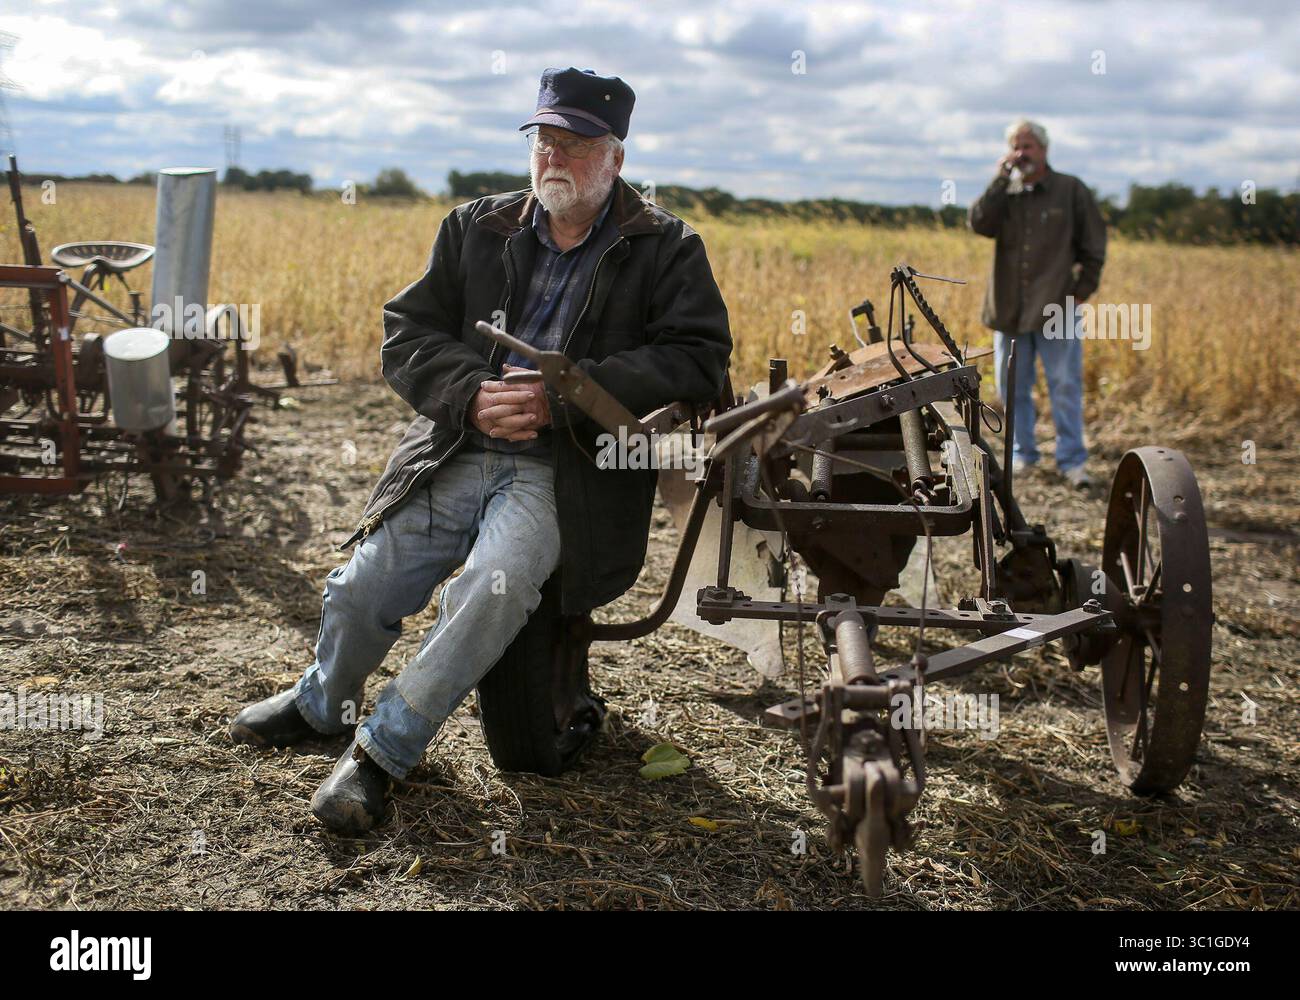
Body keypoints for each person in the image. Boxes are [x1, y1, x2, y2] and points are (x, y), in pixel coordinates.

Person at [228, 67, 732, 833]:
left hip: (567, 473)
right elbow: (408, 331)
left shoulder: (666, 247)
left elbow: (697, 357)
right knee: (361, 586)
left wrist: (564, 391)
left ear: (617, 158)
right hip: (458, 446)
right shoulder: (477, 226)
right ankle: (320, 702)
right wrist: (471, 393)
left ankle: (379, 755)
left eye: (577, 143)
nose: (554, 157)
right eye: (544, 139)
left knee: (490, 589)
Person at [968, 118, 1107, 489]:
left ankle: (1072, 461)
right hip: (1009, 309)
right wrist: (999, 179)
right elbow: (979, 223)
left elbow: (1094, 244)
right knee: (1012, 387)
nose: (1021, 153)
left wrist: (1082, 290)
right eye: (1016, 145)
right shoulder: (1005, 194)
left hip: (1057, 307)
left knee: (1064, 385)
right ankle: (1023, 455)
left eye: (1028, 146)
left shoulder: (1070, 190)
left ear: (1044, 150)